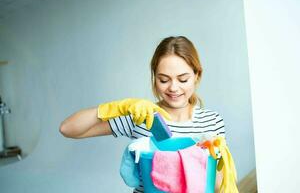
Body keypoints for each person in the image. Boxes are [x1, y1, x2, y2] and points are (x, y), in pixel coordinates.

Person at [60, 36, 225, 193]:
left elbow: (218, 184)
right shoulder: (142, 117)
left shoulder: (212, 122)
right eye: (164, 80)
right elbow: (68, 129)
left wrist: (209, 157)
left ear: (197, 75)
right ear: (154, 78)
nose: (173, 88)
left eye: (182, 79)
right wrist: (118, 107)